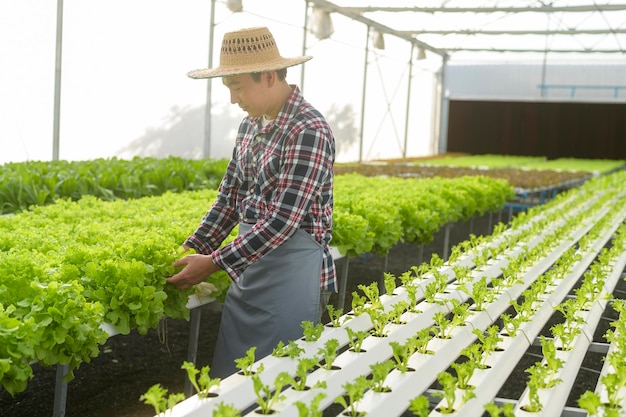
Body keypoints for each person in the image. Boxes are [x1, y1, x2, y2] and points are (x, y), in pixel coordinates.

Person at [166, 26, 336, 378]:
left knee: (281, 388)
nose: (233, 99)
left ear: (269, 77)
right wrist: (193, 247)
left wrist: (212, 262)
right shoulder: (249, 127)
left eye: (237, 87)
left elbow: (282, 222)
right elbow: (229, 200)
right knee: (235, 382)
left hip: (293, 278)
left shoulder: (308, 130)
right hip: (250, 272)